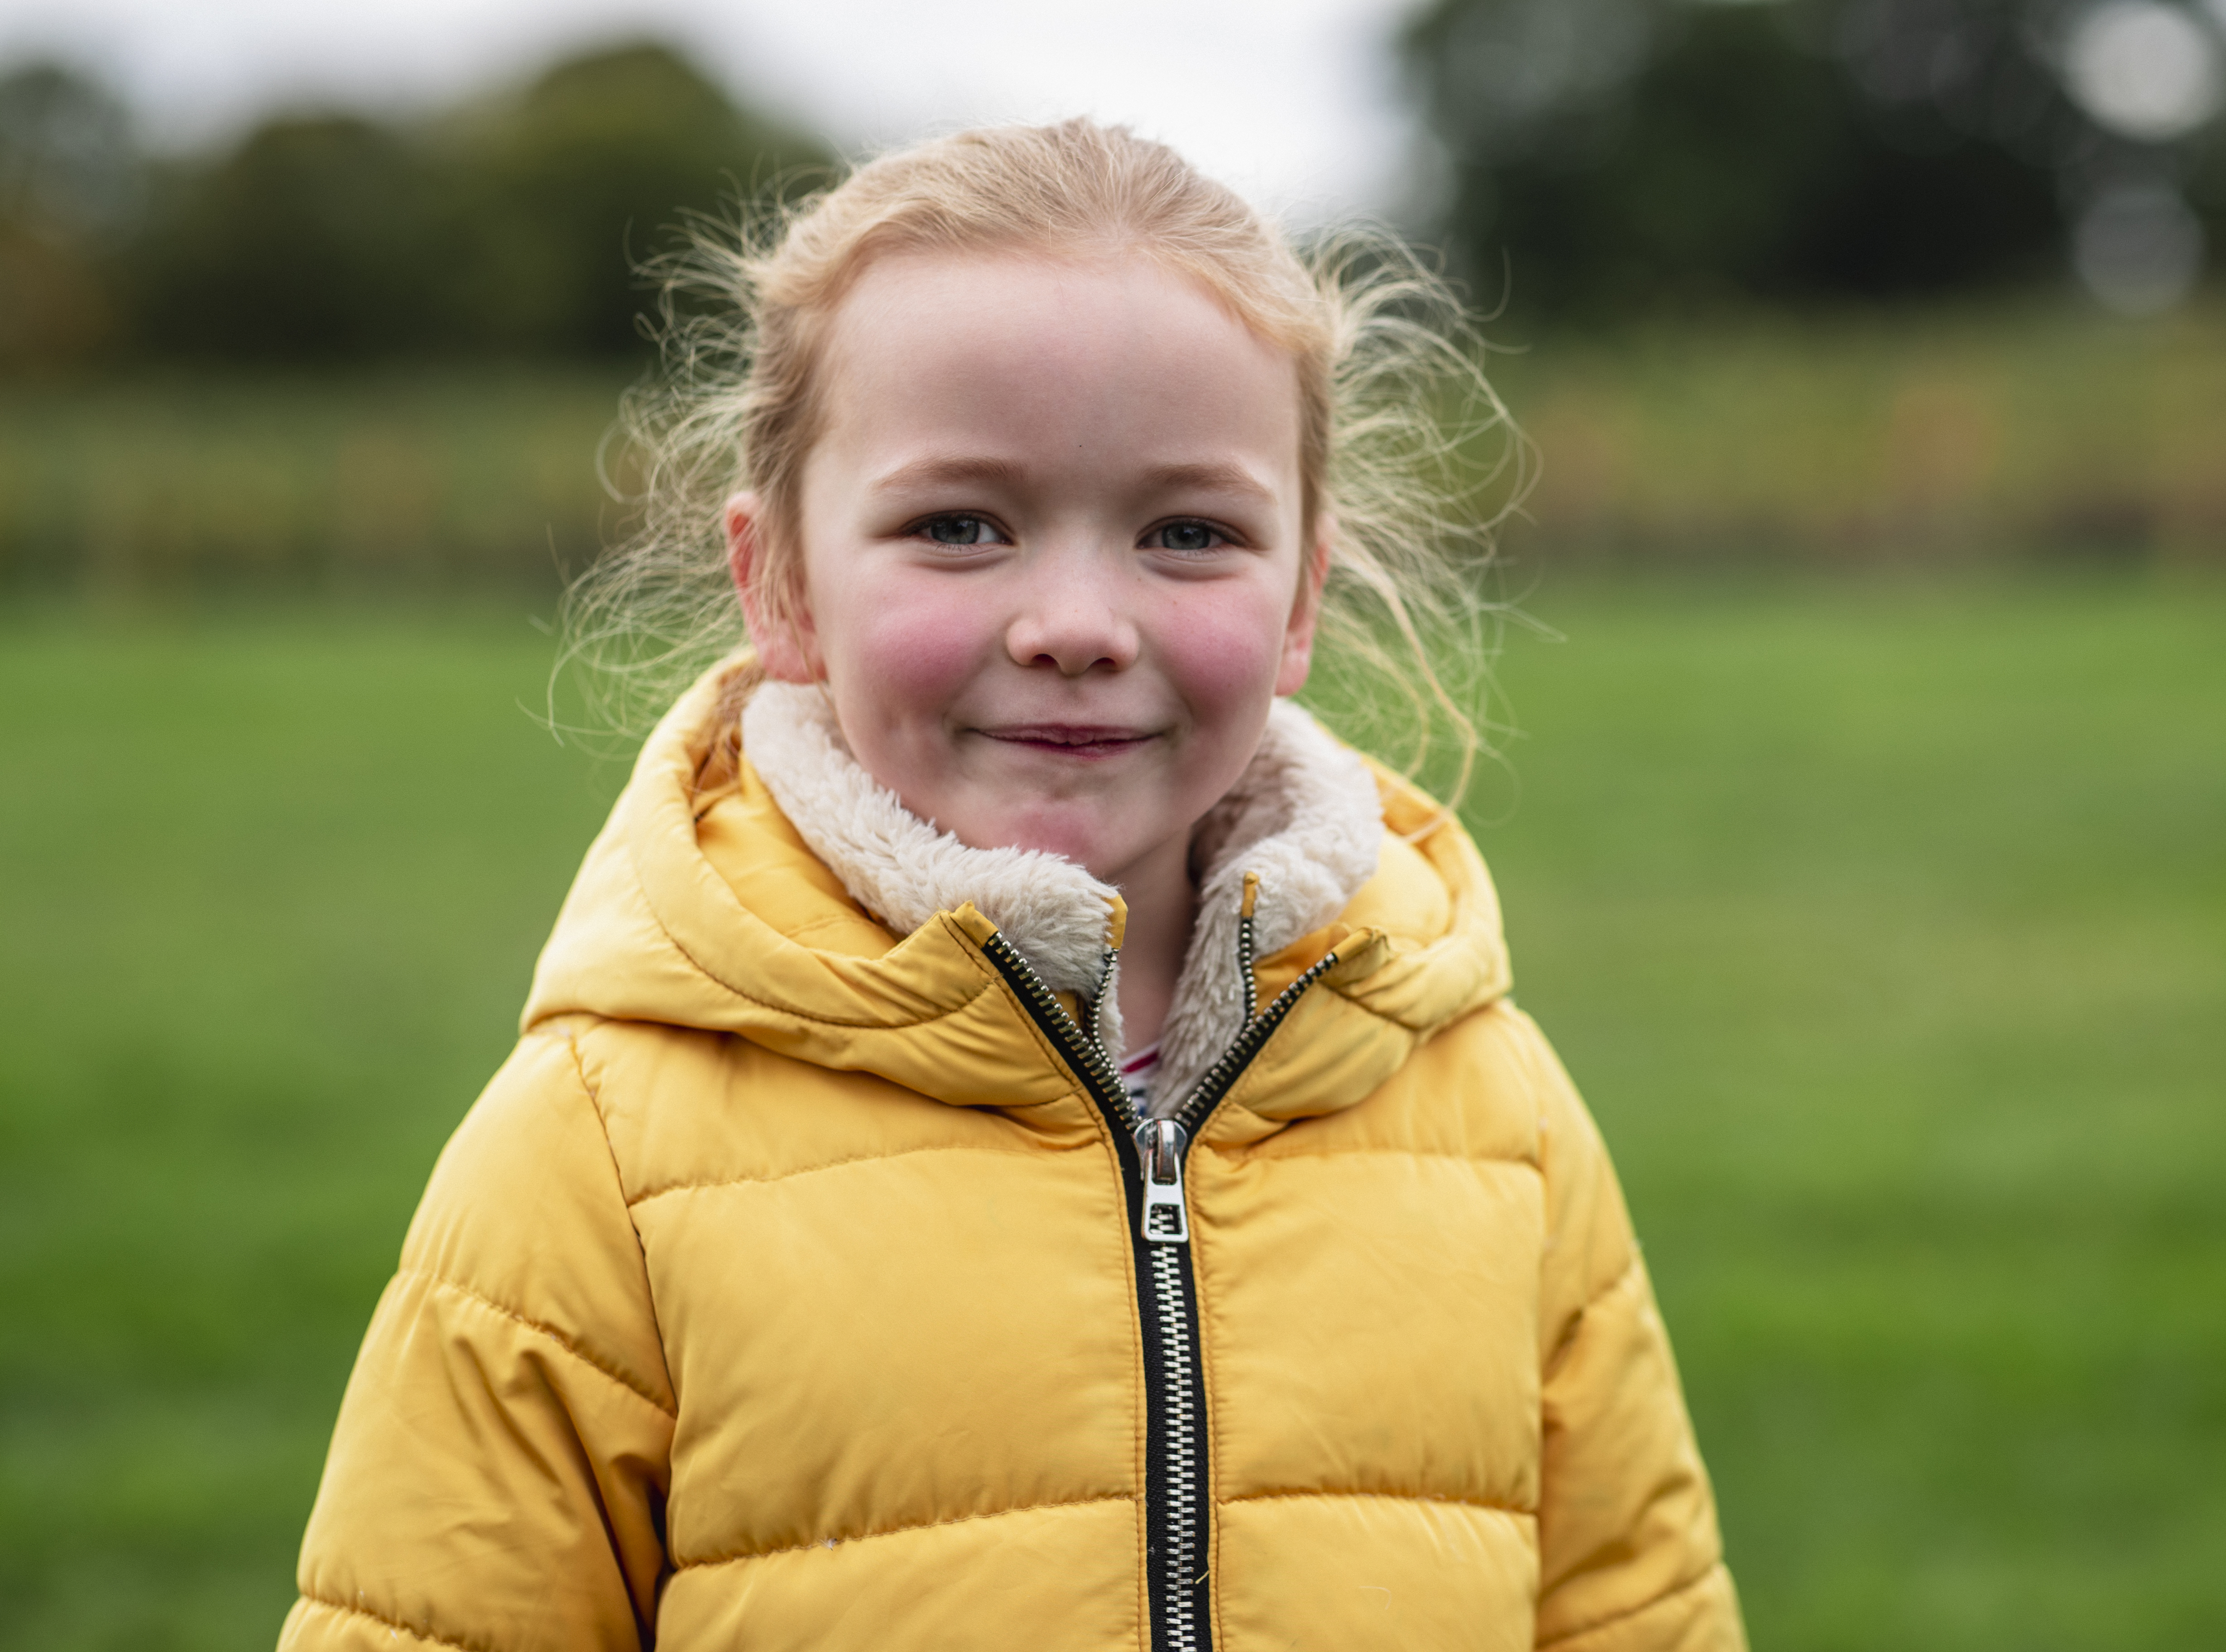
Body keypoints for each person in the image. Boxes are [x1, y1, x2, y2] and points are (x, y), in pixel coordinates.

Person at [281, 120, 1744, 1652]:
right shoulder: (599, 1151)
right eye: (960, 527)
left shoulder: (1488, 1109)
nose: (1075, 623)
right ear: (780, 580)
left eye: (1188, 533)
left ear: (1302, 595)